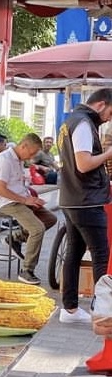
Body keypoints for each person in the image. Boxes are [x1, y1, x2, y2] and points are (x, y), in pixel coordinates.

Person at [57, 88, 112, 324]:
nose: (109, 118)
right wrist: (109, 153)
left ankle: (69, 309)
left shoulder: (70, 121)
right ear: (100, 105)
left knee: (74, 253)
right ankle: (104, 313)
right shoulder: (82, 124)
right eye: (110, 112)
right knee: (101, 254)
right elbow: (83, 164)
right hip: (86, 200)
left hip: (72, 198)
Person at [0, 132, 58, 285]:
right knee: (37, 228)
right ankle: (27, 270)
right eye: (31, 153)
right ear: (24, 146)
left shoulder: (17, 157)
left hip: (22, 199)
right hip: (8, 202)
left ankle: (15, 238)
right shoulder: (5, 160)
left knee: (51, 219)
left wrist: (30, 198)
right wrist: (25, 200)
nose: (31, 157)